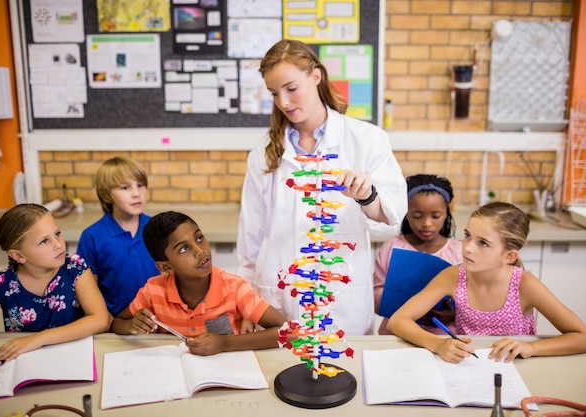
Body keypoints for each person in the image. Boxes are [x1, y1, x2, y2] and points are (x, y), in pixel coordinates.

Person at [236, 39, 407, 335]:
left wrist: (367, 197)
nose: (284, 103)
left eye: (291, 89)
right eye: (274, 93)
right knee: (282, 375)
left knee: (343, 375)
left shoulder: (365, 139)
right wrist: (247, 304)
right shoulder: (264, 152)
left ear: (316, 76)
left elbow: (391, 220)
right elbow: (250, 238)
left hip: (342, 301)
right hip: (279, 298)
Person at [387, 201, 586, 363]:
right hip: (469, 365)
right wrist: (438, 344)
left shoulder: (525, 285)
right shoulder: (453, 276)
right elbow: (398, 320)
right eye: (467, 235)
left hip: (516, 369)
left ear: (509, 256)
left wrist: (531, 348)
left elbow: (584, 338)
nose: (468, 247)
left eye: (483, 243)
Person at [111, 211, 286, 355]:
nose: (200, 251)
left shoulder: (235, 288)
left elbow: (289, 332)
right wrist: (132, 325)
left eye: (199, 238)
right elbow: (117, 323)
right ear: (166, 266)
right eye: (184, 248)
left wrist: (224, 343)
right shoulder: (153, 290)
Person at [0, 204, 111, 373]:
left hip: (73, 360)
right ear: (18, 256)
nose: (58, 244)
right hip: (24, 367)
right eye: (44, 241)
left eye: (57, 234)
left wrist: (39, 339)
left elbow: (101, 320)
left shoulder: (74, 267)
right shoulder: (1, 283)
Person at [373, 174, 462, 335]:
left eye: (436, 216)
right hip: (395, 336)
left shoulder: (459, 252)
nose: (427, 223)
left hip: (443, 338)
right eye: (417, 216)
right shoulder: (392, 247)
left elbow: (476, 301)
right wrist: (408, 306)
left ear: (447, 214)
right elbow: (375, 294)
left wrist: (456, 315)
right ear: (406, 212)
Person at [77, 156, 158, 316]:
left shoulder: (158, 229)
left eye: (140, 185)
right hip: (114, 327)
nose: (136, 194)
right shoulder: (91, 237)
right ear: (107, 194)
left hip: (157, 322)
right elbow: (88, 294)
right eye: (125, 188)